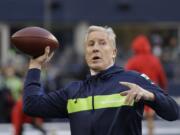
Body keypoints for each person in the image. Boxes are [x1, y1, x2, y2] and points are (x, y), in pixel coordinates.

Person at [23, 26, 179, 135]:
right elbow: (32, 106)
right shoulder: (73, 91)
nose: (95, 48)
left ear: (114, 52)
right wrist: (35, 65)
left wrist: (149, 95)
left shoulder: (133, 79)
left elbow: (174, 112)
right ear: (86, 54)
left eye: (102, 43)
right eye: (90, 44)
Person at [125, 35, 168, 135]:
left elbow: (125, 76)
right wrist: (163, 91)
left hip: (136, 95)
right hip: (152, 93)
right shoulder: (154, 60)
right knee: (150, 122)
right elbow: (162, 77)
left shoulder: (133, 61)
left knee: (133, 120)